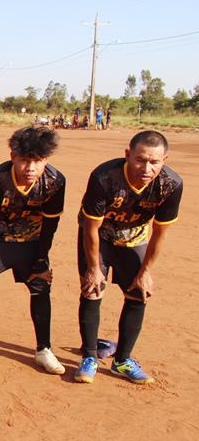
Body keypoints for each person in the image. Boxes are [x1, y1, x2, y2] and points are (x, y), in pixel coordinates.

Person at [74, 131, 182, 384]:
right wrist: (93, 267)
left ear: (164, 160)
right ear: (127, 155)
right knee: (92, 288)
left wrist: (145, 272)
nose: (147, 168)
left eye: (154, 162)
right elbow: (90, 228)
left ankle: (122, 360)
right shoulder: (104, 177)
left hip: (134, 239)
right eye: (140, 160)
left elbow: (159, 234)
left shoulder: (171, 184)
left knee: (139, 293)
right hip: (99, 237)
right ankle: (89, 356)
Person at [0, 127, 66, 375]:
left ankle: (44, 349)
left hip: (32, 242)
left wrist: (42, 257)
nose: (30, 168)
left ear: (46, 160)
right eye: (25, 160)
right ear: (13, 156)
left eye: (37, 161)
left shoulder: (56, 181)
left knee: (41, 286)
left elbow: (51, 224)